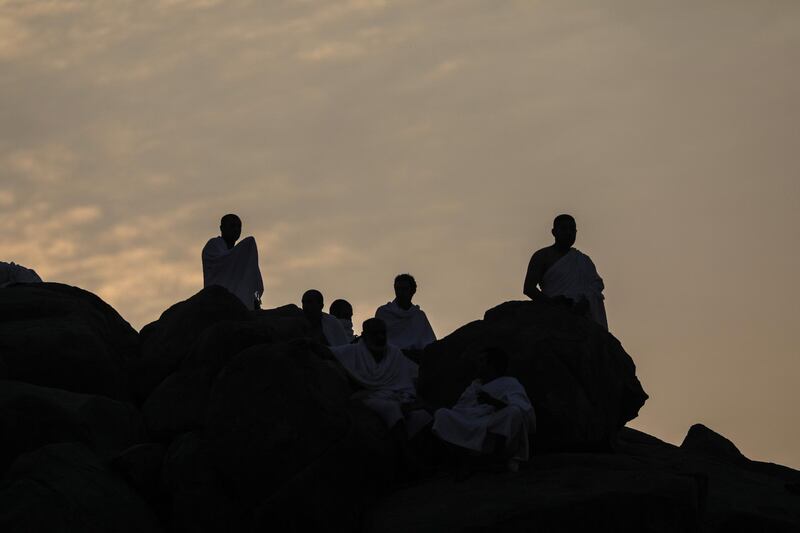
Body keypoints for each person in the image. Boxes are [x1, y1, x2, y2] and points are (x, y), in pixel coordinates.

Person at [432, 347, 535, 473]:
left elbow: (523, 409)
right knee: (442, 414)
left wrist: (492, 401)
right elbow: (460, 409)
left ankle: (496, 457)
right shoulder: (475, 385)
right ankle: (463, 458)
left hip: (492, 424)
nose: (477, 364)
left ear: (491, 365)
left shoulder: (510, 383)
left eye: (481, 361)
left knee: (514, 413)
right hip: (471, 421)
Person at [329, 318, 431, 438]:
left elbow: (404, 384)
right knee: (391, 409)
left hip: (395, 396)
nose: (380, 337)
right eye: (375, 334)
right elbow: (330, 352)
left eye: (383, 333)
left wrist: (407, 399)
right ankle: (403, 449)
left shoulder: (394, 354)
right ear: (365, 335)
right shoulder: (354, 351)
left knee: (423, 416)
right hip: (369, 398)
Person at [523, 214, 608, 330]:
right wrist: (552, 303)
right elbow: (529, 289)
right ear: (554, 232)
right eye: (564, 228)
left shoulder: (584, 260)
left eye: (572, 229)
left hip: (581, 315)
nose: (568, 232)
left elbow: (596, 286)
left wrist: (586, 301)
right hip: (553, 313)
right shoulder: (542, 256)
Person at [202, 214, 264, 310]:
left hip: (238, 302)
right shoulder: (213, 245)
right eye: (232, 226)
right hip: (217, 299)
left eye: (239, 226)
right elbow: (220, 266)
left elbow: (253, 279)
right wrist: (245, 249)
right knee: (250, 242)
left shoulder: (241, 257)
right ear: (222, 228)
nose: (236, 229)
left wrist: (255, 298)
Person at [375, 274, 436, 360]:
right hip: (388, 359)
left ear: (413, 291)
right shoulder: (384, 312)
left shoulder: (418, 316)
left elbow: (429, 343)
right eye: (398, 289)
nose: (401, 293)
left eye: (404, 289)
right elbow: (375, 340)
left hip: (413, 360)